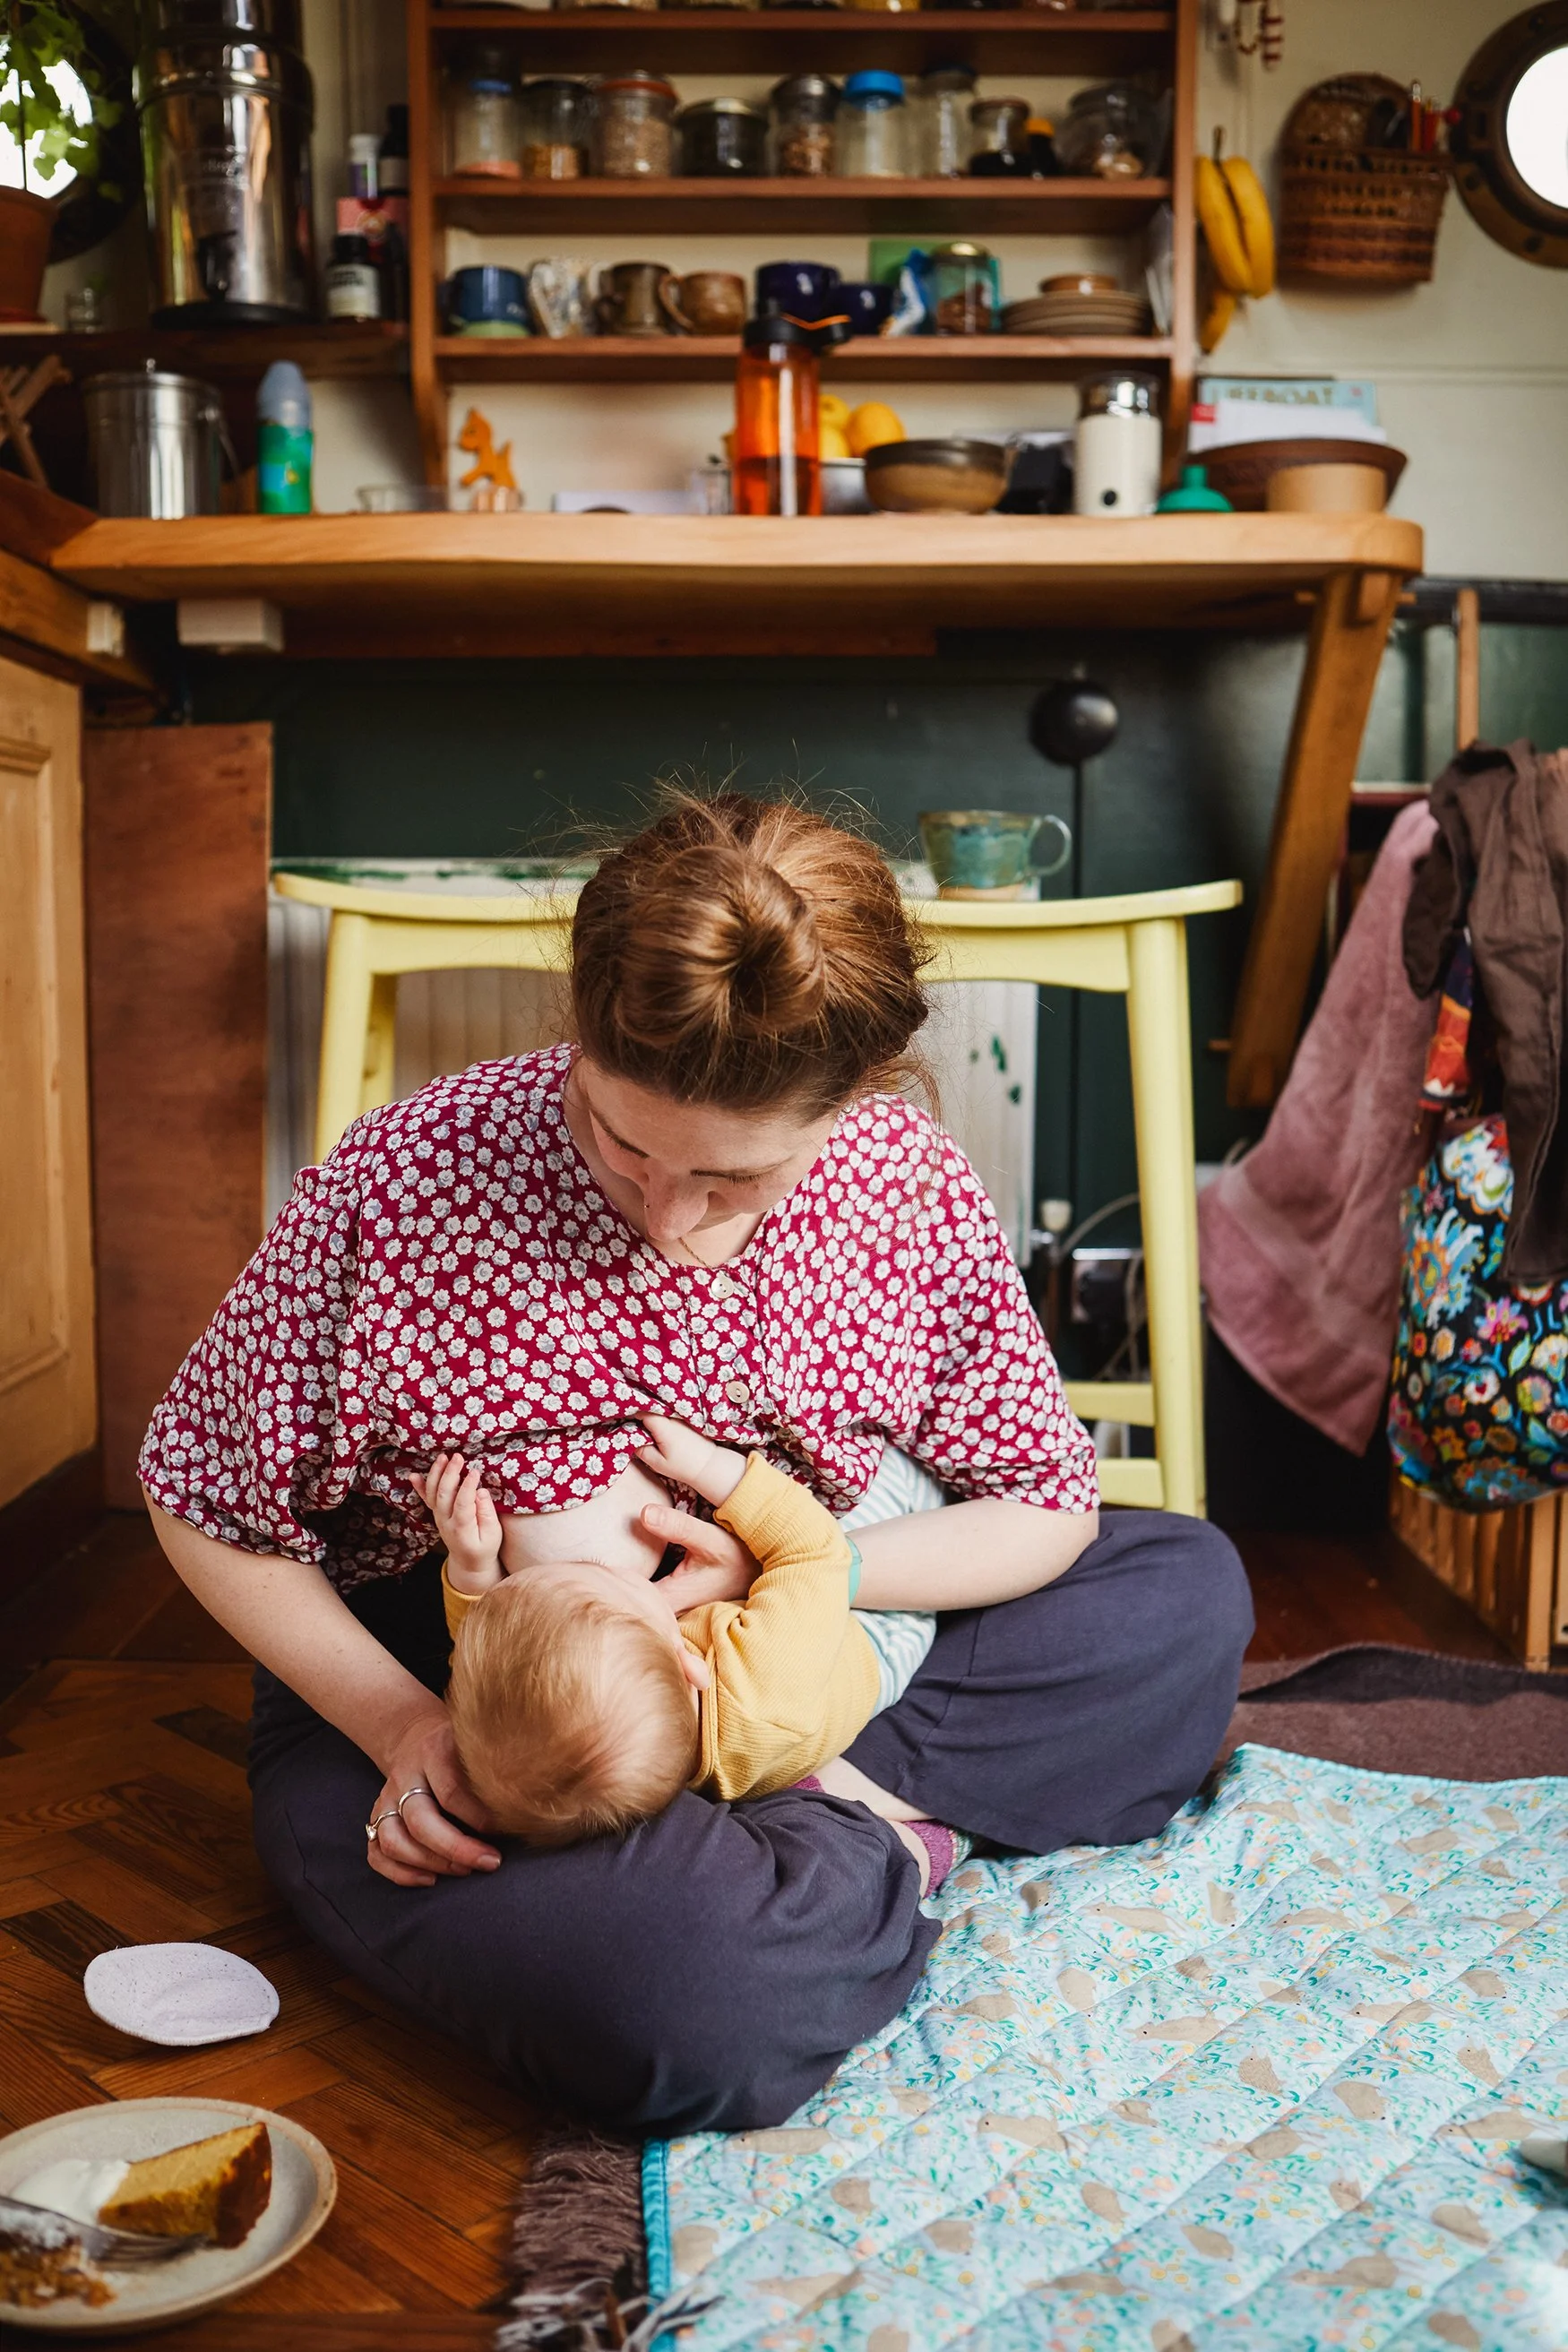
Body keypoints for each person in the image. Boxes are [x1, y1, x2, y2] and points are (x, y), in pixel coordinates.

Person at [142, 791, 1253, 2135]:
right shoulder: (406, 1179)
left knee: (1182, 1593)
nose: (671, 1218)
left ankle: (804, 1824)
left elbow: (1043, 1501)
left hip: (808, 1635)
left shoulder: (903, 1184)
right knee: (699, 2001)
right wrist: (408, 1731)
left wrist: (806, 1565)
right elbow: (201, 1495)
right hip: (487, 1699)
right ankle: (860, 1841)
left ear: (851, 1104)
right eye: (622, 1145)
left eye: (734, 1179)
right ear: (578, 1029)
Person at [428, 1413, 981, 1889]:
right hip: (868, 1641)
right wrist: (713, 1469)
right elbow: (816, 1554)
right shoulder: (764, 1683)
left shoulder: (609, 1724)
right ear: (688, 1657)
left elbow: (486, 1647)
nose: (587, 1567)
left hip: (759, 1669)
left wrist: (475, 1567)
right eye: (607, 1577)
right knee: (868, 1482)